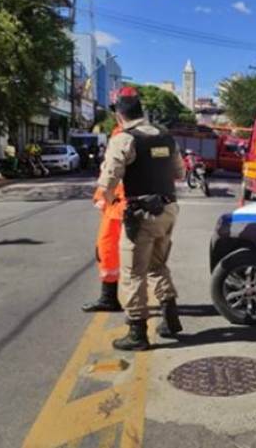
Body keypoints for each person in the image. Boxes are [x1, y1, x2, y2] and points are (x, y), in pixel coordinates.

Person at [96, 86, 186, 351]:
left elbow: (109, 179)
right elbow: (180, 173)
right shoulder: (166, 137)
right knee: (158, 265)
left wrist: (108, 200)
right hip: (168, 210)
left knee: (133, 273)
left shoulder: (124, 139)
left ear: (119, 114)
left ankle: (137, 333)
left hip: (141, 214)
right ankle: (171, 318)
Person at [82, 131, 125, 313]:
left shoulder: (123, 136)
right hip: (128, 207)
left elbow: (111, 172)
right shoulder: (149, 136)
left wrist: (102, 196)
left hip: (119, 208)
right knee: (146, 257)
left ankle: (110, 299)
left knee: (108, 250)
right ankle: (167, 310)